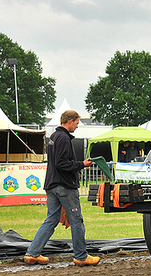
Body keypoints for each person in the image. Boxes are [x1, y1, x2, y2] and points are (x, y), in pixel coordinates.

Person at [24, 110, 100, 266]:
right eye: (77, 123)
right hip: (64, 186)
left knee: (51, 219)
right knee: (76, 220)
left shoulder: (53, 137)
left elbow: (58, 162)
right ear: (70, 121)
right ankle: (81, 256)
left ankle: (32, 253)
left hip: (51, 185)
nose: (77, 126)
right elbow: (62, 163)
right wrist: (82, 164)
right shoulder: (64, 138)